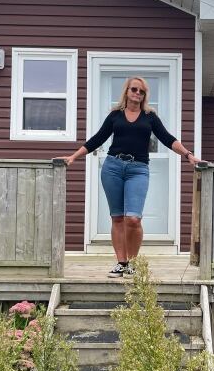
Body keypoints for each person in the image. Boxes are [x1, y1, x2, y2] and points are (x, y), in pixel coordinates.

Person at [58, 77, 202, 278]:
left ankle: (132, 264)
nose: (137, 93)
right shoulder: (115, 115)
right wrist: (73, 157)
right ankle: (121, 262)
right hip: (112, 168)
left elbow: (168, 139)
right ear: (127, 91)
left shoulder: (150, 117)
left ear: (144, 95)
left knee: (133, 219)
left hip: (138, 169)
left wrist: (188, 155)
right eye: (134, 89)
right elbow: (97, 138)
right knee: (117, 217)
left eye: (141, 91)